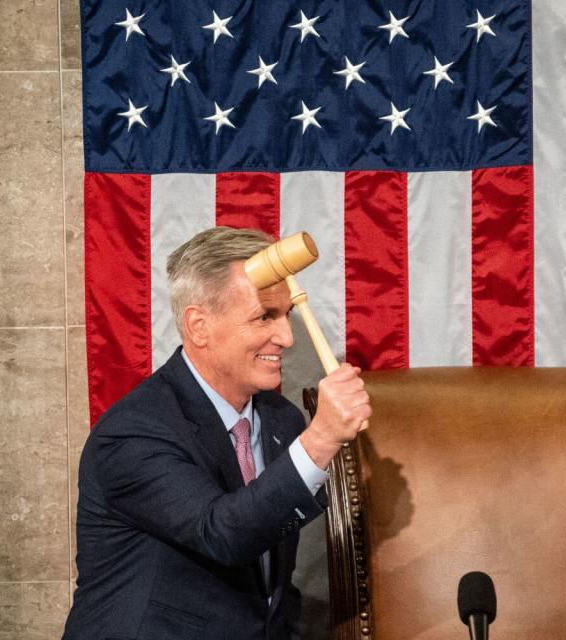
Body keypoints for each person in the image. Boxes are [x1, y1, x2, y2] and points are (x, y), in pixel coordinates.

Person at [63, 227, 371, 639]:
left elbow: (268, 584)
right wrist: (322, 439)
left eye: (286, 315)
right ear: (199, 326)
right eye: (266, 316)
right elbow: (222, 533)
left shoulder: (282, 421)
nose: (287, 337)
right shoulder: (132, 432)